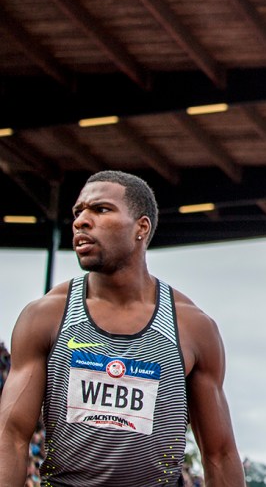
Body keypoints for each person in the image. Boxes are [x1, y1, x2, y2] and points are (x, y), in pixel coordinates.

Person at [0, 170, 246, 486]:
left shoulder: (192, 328)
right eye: (78, 212)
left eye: (100, 209)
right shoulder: (45, 316)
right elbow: (11, 436)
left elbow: (220, 453)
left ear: (141, 227)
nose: (81, 221)